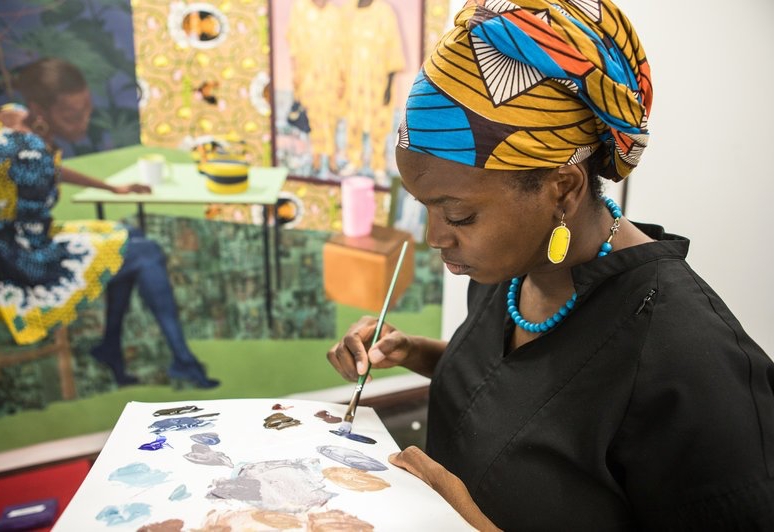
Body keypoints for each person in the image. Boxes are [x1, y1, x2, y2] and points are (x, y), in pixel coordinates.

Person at [327, 1, 774, 529]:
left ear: (562, 188)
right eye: (425, 207)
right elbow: (530, 385)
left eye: (459, 215)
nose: (434, 237)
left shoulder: (695, 366)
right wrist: (418, 352)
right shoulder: (510, 268)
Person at [0, 58, 219, 388]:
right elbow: (34, 220)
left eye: (87, 109)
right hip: (14, 260)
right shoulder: (30, 150)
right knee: (144, 252)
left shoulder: (12, 116)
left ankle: (113, 349)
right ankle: (180, 360)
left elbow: (44, 166)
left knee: (131, 241)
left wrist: (111, 188)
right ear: (40, 109)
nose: (84, 122)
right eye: (72, 116)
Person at [338, 0, 405, 185]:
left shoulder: (384, 12)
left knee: (378, 125)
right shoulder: (347, 12)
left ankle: (378, 166)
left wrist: (388, 86)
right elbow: (340, 49)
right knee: (353, 122)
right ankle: (354, 161)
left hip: (378, 83)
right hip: (353, 82)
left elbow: (393, 49)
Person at [286, 0, 343, 175]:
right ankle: (316, 158)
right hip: (308, 76)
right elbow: (294, 45)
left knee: (330, 118)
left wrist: (342, 78)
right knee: (312, 117)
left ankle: (332, 159)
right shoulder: (300, 10)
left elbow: (342, 48)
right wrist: (295, 73)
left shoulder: (335, 14)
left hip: (331, 76)